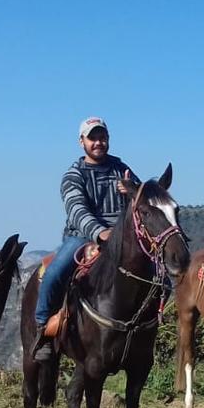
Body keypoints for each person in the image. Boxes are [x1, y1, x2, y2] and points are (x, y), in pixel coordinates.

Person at [33, 117, 136, 359]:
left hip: (121, 236)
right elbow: (77, 210)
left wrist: (131, 189)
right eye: (93, 138)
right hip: (82, 237)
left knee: (155, 267)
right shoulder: (74, 174)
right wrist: (100, 233)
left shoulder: (121, 168)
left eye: (102, 137)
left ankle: (150, 321)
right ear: (82, 142)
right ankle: (42, 329)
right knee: (55, 272)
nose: (98, 142)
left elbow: (144, 201)